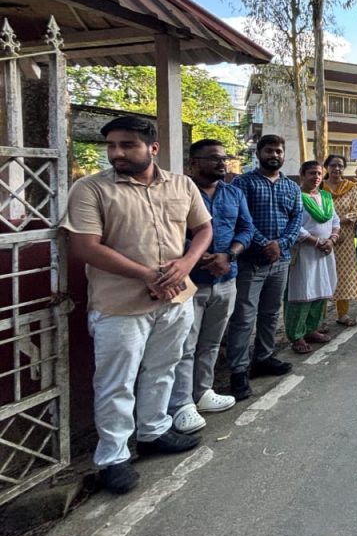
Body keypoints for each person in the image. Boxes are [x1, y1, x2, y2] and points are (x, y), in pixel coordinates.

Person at [62, 116, 213, 494]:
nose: (117, 153)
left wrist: (186, 263)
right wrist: (147, 275)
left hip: (175, 299)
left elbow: (203, 229)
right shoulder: (90, 189)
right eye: (112, 145)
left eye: (127, 145)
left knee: (163, 368)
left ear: (153, 148)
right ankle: (113, 457)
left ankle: (153, 431)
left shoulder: (182, 185)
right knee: (116, 382)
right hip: (119, 305)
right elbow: (84, 247)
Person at [168, 139, 254, 436]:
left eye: (224, 158)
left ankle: (203, 392)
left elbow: (246, 228)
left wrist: (229, 255)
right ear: (194, 163)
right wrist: (200, 255)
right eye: (214, 158)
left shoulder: (234, 193)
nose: (222, 163)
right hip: (190, 280)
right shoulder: (179, 192)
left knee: (212, 342)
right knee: (184, 344)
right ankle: (182, 404)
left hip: (226, 278)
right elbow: (170, 231)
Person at [226, 135, 302, 401]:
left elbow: (296, 219)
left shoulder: (291, 187)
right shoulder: (243, 183)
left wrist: (280, 245)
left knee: (270, 314)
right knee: (244, 317)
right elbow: (241, 220)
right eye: (269, 150)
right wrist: (263, 244)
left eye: (278, 151)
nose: (274, 155)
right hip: (251, 262)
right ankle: (238, 370)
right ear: (258, 153)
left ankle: (264, 358)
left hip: (280, 261)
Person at [285, 161, 341, 354]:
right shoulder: (295, 197)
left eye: (318, 173)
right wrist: (316, 242)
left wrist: (332, 240)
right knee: (302, 293)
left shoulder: (325, 196)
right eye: (311, 173)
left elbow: (335, 221)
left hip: (325, 251)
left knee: (321, 290)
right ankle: (296, 336)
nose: (316, 177)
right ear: (302, 175)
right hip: (304, 252)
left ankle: (311, 329)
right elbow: (294, 225)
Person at [322, 154, 357, 327]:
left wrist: (338, 222)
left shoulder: (351, 187)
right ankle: (320, 319)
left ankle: (342, 314)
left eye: (340, 165)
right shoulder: (320, 187)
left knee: (343, 276)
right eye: (333, 165)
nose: (337, 169)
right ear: (326, 167)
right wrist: (332, 226)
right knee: (323, 275)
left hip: (345, 239)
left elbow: (356, 211)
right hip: (324, 236)